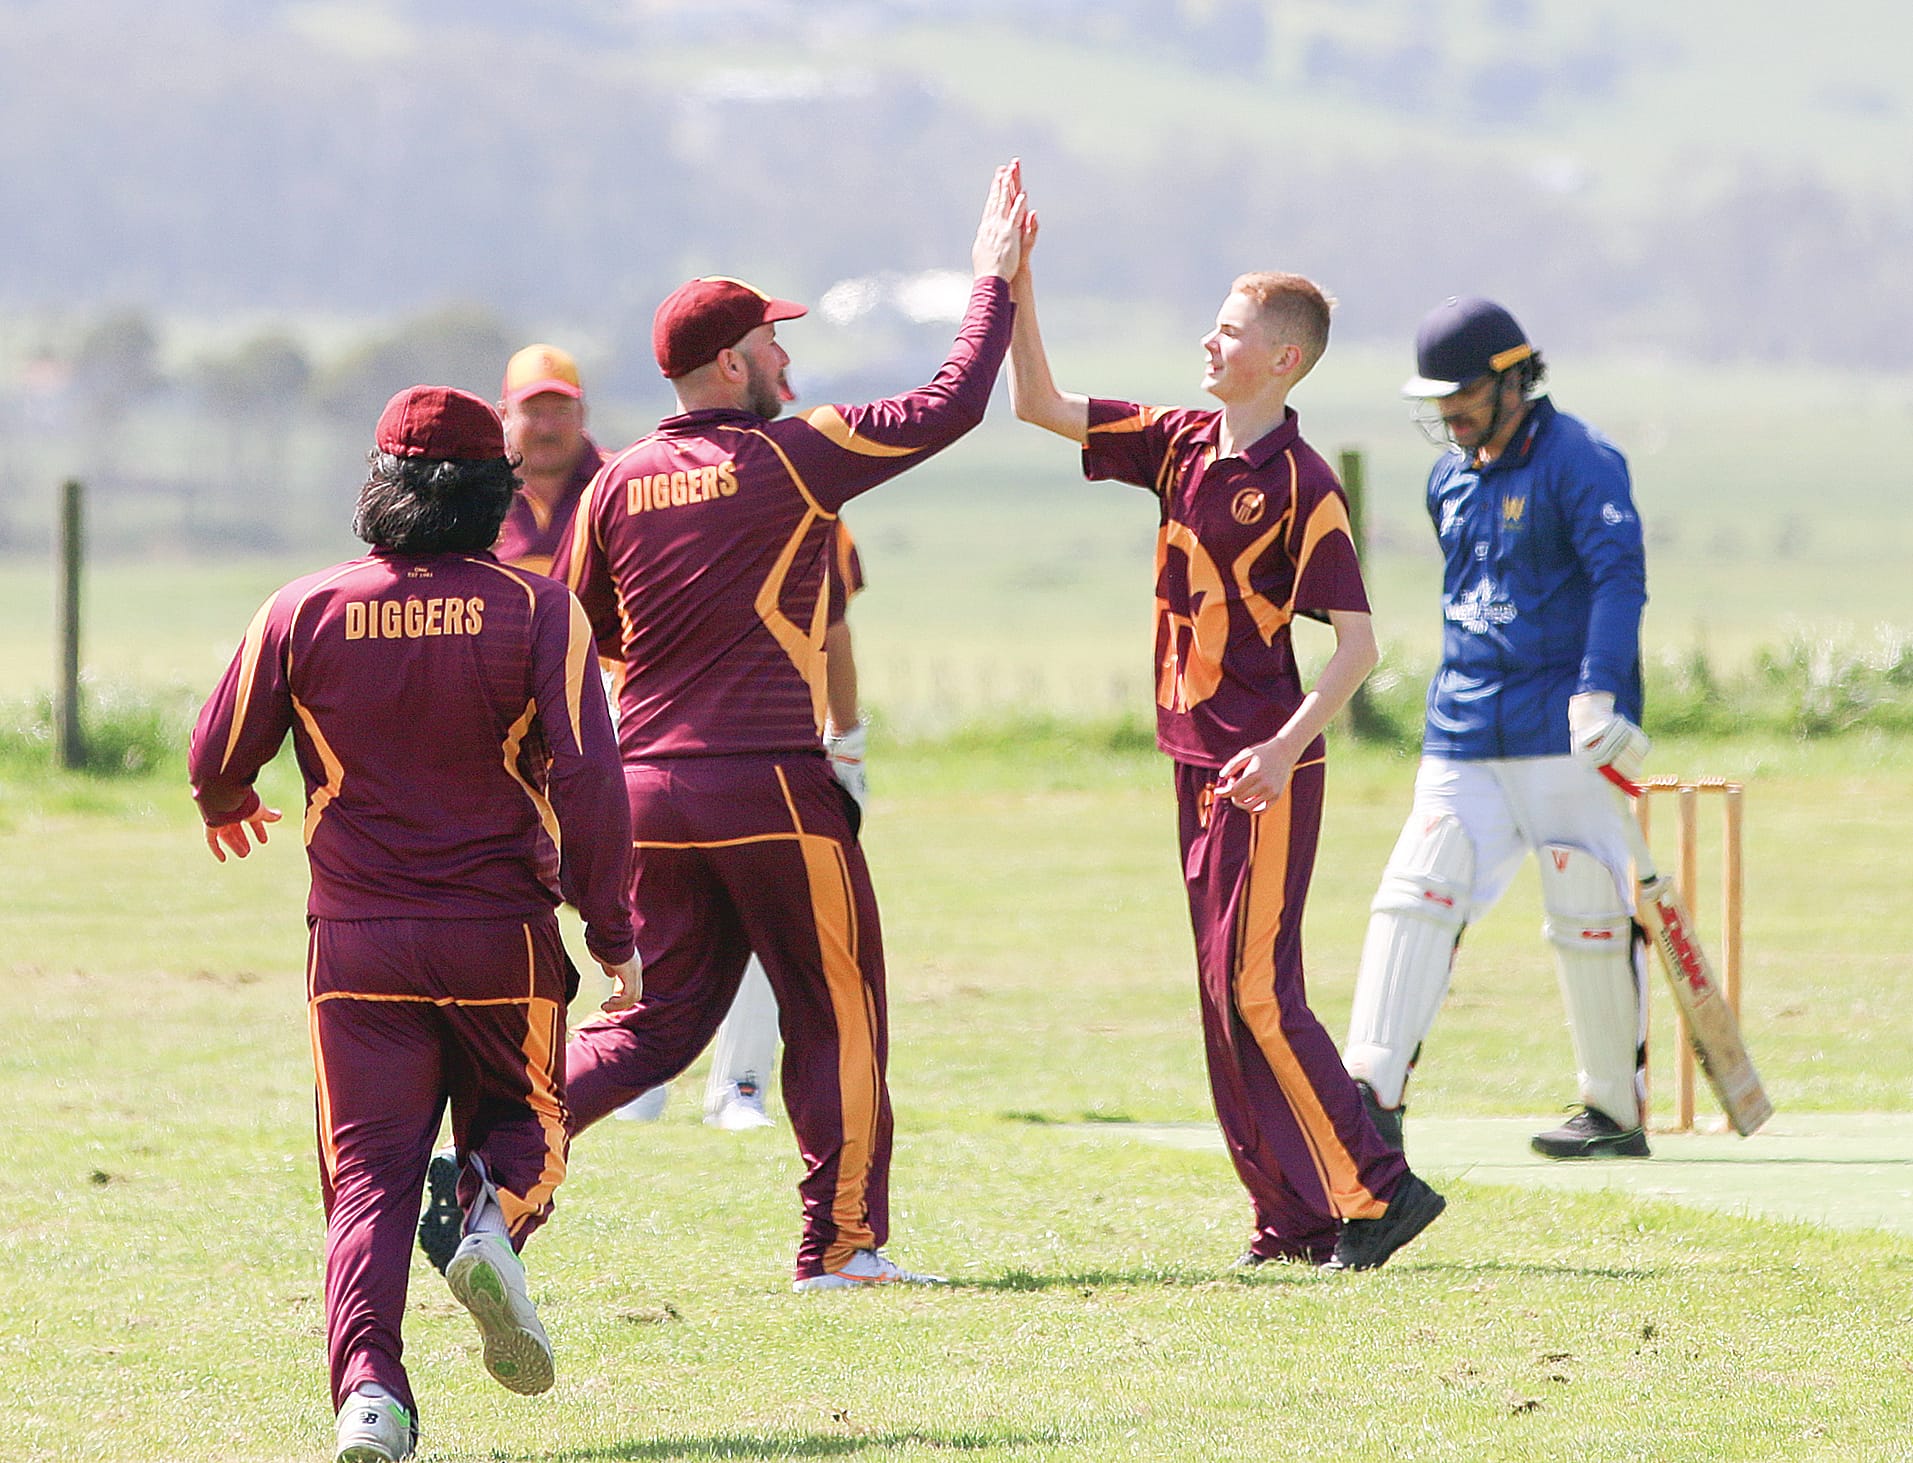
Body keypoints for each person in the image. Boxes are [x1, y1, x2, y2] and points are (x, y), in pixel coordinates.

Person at [551, 163, 1026, 1290]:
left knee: (658, 1024)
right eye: (771, 340)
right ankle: (843, 1244)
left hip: (648, 792)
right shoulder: (793, 451)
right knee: (836, 1010)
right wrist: (990, 283)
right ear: (729, 363)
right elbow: (950, 401)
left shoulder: (613, 483)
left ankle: (495, 1152)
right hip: (768, 785)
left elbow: (572, 637)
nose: (786, 355)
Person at [188, 385, 639, 1463]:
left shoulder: (299, 608)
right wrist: (612, 930)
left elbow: (214, 755)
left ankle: (371, 1399)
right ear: (496, 494)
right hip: (501, 937)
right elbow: (589, 777)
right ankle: (486, 1221)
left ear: (379, 488)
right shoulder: (539, 610)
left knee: (367, 1179)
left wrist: (227, 804)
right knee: (528, 1129)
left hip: (355, 946)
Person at [1005, 179, 1445, 1272]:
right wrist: (1010, 280)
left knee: (1257, 986)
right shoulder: (1175, 442)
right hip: (1192, 759)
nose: (1208, 340)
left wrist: (1285, 744)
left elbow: (1357, 646)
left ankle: (1376, 1191)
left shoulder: (1301, 484)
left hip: (1265, 769)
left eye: (1231, 328)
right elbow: (1037, 404)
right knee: (1220, 996)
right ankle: (1289, 1218)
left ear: (1282, 359)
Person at [1340, 295, 1651, 1161]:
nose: (1448, 413)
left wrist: (1598, 692)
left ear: (1514, 376)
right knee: (1416, 888)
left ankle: (1612, 1108)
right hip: (1463, 725)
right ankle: (1370, 1090)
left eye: (1464, 392)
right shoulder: (1449, 477)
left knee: (1587, 900)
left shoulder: (1580, 460)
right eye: (1436, 397)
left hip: (1563, 729)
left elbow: (1618, 577)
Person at [610, 521, 870, 1132]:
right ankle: (638, 1073)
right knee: (654, 915)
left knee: (770, 917)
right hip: (659, 749)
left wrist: (847, 742)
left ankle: (739, 1084)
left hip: (772, 750)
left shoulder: (810, 505)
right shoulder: (635, 494)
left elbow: (832, 629)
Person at [493, 343, 604, 577]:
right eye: (533, 413)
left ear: (582, 413)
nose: (546, 429)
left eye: (561, 411)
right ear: (505, 415)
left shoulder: (614, 482)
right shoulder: (478, 491)